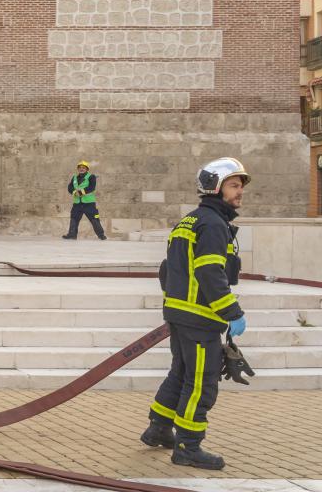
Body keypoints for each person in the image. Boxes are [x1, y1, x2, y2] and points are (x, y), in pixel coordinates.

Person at [140, 157, 249, 471]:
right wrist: (232, 312)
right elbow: (211, 273)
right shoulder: (214, 225)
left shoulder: (189, 221)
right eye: (234, 185)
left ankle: (159, 427)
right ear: (216, 187)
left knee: (180, 373)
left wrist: (174, 305)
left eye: (241, 185)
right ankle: (188, 446)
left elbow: (166, 270)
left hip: (181, 314)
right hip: (200, 319)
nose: (240, 191)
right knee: (201, 381)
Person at [63, 160, 105, 240]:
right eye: (80, 168)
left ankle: (101, 235)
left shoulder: (91, 177)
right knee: (74, 218)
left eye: (83, 168)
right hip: (77, 203)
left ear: (87, 169)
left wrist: (81, 192)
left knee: (94, 219)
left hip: (89, 203)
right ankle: (72, 234)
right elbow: (70, 188)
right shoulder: (74, 177)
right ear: (78, 169)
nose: (81, 169)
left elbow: (91, 188)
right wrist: (74, 192)